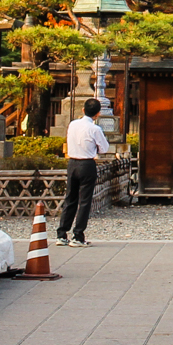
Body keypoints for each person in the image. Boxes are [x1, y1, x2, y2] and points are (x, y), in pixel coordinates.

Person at [58, 97, 111, 247]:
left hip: (72, 162)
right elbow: (104, 148)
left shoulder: (73, 124)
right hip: (87, 164)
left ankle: (62, 233)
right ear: (98, 113)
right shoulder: (95, 129)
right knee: (85, 201)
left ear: (83, 110)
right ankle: (78, 235)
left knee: (70, 198)